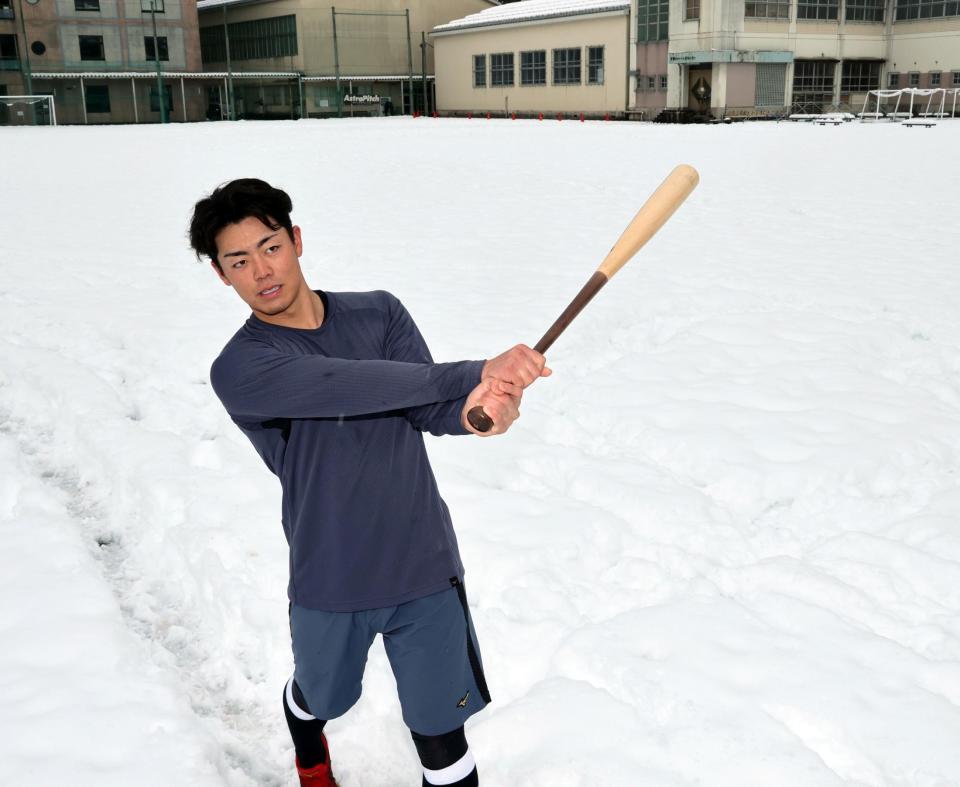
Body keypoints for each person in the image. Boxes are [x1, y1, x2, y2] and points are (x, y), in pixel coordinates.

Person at [188, 179, 549, 787]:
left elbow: (428, 406)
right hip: (331, 574)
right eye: (238, 261)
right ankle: (309, 752)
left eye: (270, 246)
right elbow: (347, 385)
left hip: (423, 562)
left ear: (297, 240)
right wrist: (471, 372)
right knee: (320, 698)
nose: (261, 270)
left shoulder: (379, 311)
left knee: (442, 736)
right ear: (223, 277)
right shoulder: (242, 368)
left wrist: (480, 409)